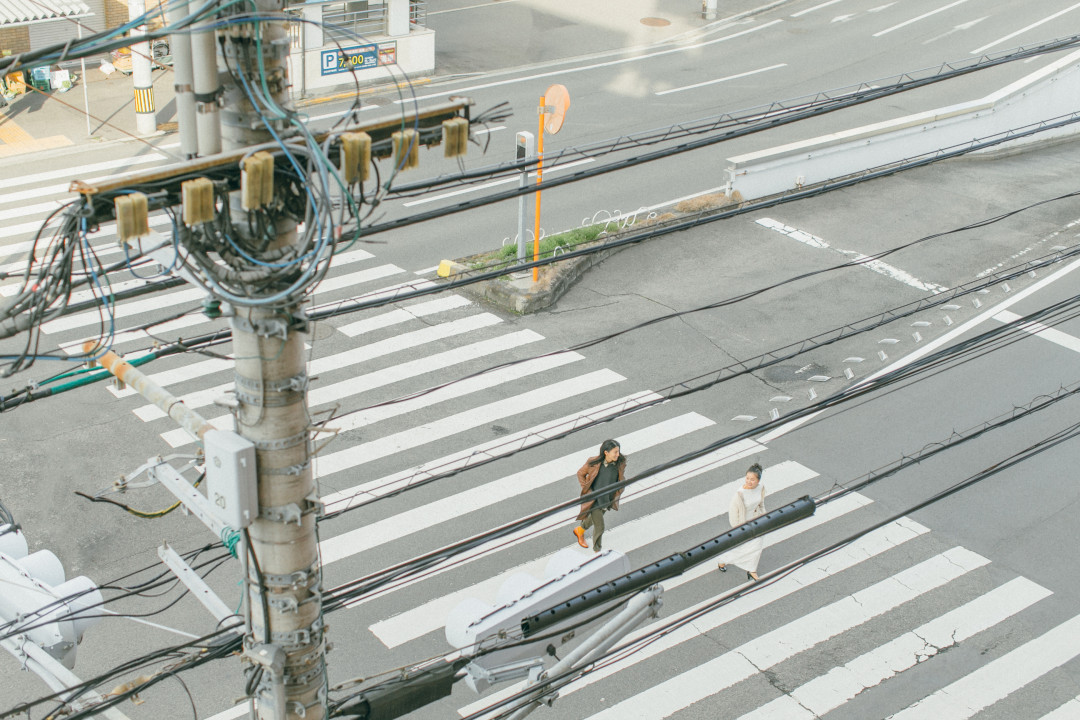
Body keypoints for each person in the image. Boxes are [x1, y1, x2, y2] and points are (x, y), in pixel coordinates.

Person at [572, 439, 626, 552]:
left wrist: (620, 489)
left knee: (593, 519)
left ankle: (580, 530)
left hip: (607, 499)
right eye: (615, 452)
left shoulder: (619, 463)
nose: (618, 454)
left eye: (618, 451)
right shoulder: (593, 463)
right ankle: (597, 551)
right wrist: (586, 489)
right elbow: (580, 474)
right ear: (606, 452)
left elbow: (620, 478)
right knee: (600, 526)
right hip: (594, 500)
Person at [717, 463, 766, 581]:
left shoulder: (761, 488)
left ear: (758, 480)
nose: (749, 481)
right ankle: (723, 560)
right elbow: (733, 515)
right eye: (747, 478)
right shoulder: (739, 494)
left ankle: (752, 569)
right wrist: (739, 528)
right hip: (743, 524)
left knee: (757, 547)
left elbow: (761, 503)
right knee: (740, 548)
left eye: (752, 479)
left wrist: (764, 515)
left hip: (757, 521)